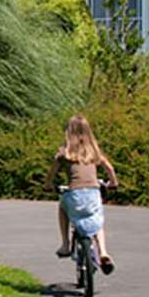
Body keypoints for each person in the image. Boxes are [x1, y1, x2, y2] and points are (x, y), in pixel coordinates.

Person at [44, 114, 119, 275]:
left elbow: (51, 173)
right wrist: (113, 183)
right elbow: (110, 168)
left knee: (63, 206)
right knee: (97, 219)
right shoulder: (94, 151)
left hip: (75, 194)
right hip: (93, 193)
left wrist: (48, 185)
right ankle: (103, 252)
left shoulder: (64, 153)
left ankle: (65, 244)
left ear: (68, 132)